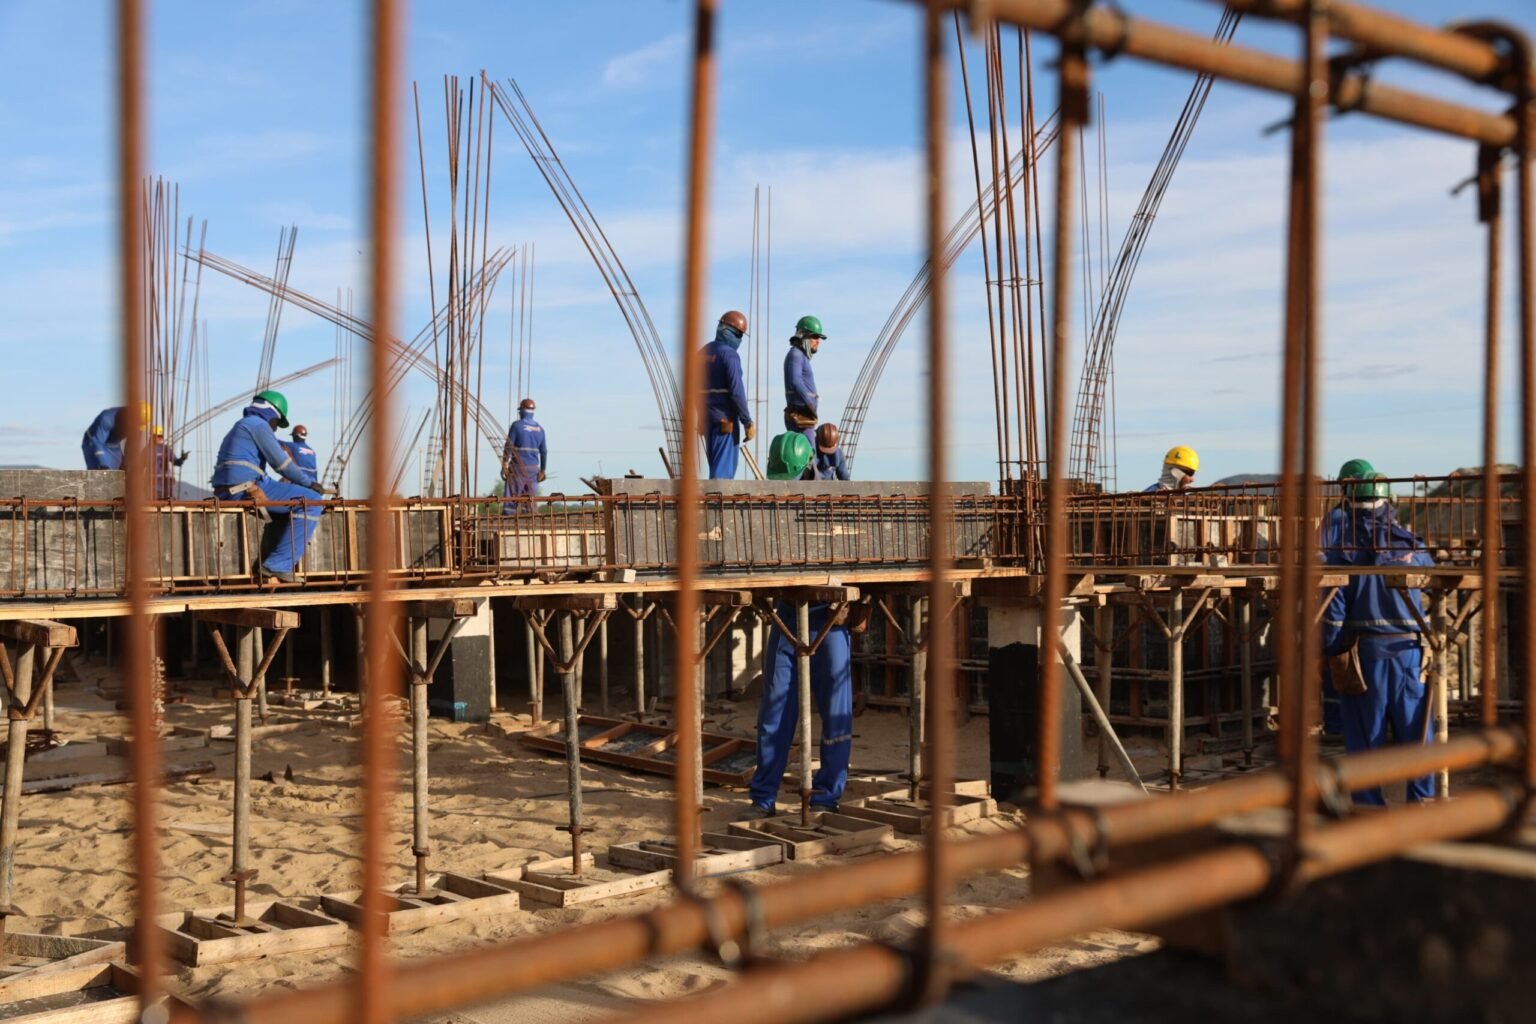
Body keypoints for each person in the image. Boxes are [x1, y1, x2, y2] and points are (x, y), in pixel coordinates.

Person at [1321, 471, 1436, 805]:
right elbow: (1431, 582)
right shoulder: (1410, 543)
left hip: (1364, 654)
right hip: (1409, 651)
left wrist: (1328, 650)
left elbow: (1333, 611)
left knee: (1365, 737)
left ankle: (1368, 810)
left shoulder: (1342, 549)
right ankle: (1423, 804)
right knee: (1416, 732)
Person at [745, 602, 853, 818]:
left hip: (832, 616)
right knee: (775, 712)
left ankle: (826, 797)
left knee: (837, 714)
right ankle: (764, 798)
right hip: (788, 615)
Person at [210, 390, 327, 584]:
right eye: (276, 423)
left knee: (283, 511)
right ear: (272, 413)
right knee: (312, 501)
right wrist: (310, 483)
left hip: (231, 489)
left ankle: (267, 563)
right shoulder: (259, 425)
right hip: (245, 487)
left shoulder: (241, 426)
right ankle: (277, 566)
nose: (274, 429)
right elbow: (282, 465)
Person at [1320, 457, 1378, 736]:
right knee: (1343, 667)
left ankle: (1340, 727)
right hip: (1361, 601)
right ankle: (1342, 727)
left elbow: (1324, 558)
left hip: (1345, 600)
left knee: (1339, 663)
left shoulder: (1337, 518)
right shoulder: (1375, 521)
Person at [701, 310, 754, 479]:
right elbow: (737, 392)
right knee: (722, 477)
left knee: (716, 468)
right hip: (725, 424)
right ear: (736, 333)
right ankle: (716, 505)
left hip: (708, 421)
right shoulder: (730, 355)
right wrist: (747, 421)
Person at [783, 315, 825, 446]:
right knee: (806, 457)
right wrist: (809, 403)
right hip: (800, 417)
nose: (818, 341)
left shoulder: (800, 356)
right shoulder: (795, 355)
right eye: (815, 337)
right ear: (803, 336)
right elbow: (795, 381)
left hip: (804, 416)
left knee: (808, 455)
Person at [502, 398, 547, 513]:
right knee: (530, 501)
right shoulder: (540, 429)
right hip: (533, 470)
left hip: (518, 468)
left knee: (510, 498)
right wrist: (542, 470)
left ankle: (508, 522)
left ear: (522, 411)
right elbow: (544, 451)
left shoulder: (517, 426)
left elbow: (509, 447)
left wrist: (505, 464)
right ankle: (529, 524)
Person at [81, 403, 150, 470]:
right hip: (93, 443)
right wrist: (103, 463)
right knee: (101, 473)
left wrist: (128, 463)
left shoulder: (139, 424)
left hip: (114, 445)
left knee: (122, 471)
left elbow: (132, 446)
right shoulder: (106, 418)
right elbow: (98, 442)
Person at [149, 425, 189, 500]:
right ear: (152, 436)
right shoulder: (147, 450)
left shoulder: (166, 449)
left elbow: (176, 461)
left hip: (166, 484)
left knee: (168, 504)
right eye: (158, 436)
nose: (160, 438)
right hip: (153, 485)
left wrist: (182, 459)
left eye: (161, 436)